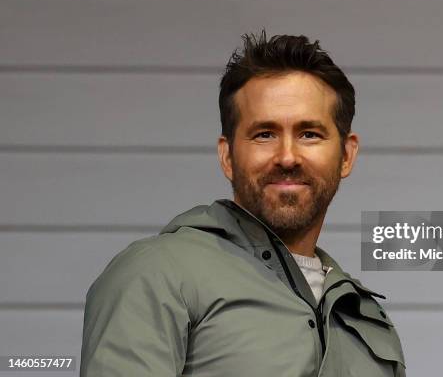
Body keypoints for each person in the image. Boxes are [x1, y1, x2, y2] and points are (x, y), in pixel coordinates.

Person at [80, 31, 406, 376]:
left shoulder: (366, 317)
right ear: (227, 155)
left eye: (309, 133)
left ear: (346, 155)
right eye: (264, 134)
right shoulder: (157, 275)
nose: (287, 156)